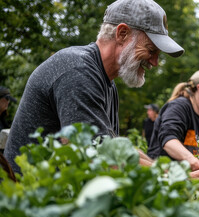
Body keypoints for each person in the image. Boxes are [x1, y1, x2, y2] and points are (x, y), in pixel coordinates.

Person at [4, 0, 186, 174]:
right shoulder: (77, 70)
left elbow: (112, 148)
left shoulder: (106, 83)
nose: (155, 63)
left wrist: (169, 172)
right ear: (122, 33)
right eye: (151, 50)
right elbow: (99, 161)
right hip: (30, 198)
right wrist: (173, 178)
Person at [147, 69, 199, 171]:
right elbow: (168, 139)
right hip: (166, 175)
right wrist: (193, 161)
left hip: (198, 177)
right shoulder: (179, 107)